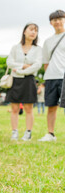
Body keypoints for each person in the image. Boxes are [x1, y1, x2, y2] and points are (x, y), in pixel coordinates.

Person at [5, 23, 42, 141]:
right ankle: (14, 132)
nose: (33, 32)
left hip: (29, 80)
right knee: (14, 108)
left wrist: (20, 71)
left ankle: (28, 132)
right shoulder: (15, 47)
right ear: (24, 31)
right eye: (31, 29)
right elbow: (9, 62)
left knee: (29, 109)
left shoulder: (38, 49)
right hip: (15, 80)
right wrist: (24, 65)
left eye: (35, 31)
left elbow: (37, 65)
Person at [39, 10, 65, 142]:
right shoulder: (48, 41)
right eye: (55, 20)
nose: (58, 22)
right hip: (51, 77)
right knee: (51, 106)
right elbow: (45, 62)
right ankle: (50, 134)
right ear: (51, 23)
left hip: (64, 76)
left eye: (60, 19)